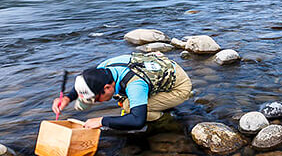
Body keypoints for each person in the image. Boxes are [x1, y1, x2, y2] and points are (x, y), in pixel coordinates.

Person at [51, 52, 192, 130]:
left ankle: (164, 118)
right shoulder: (103, 69)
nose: (95, 102)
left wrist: (102, 121)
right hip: (160, 68)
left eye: (95, 99)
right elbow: (86, 82)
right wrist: (68, 98)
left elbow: (138, 122)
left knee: (129, 106)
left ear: (107, 88)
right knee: (127, 102)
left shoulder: (135, 85)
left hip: (179, 86)